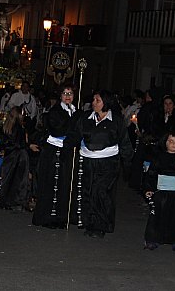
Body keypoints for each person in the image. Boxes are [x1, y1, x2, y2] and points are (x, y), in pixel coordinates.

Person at [64, 90, 133, 238]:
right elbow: (75, 135)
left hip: (108, 162)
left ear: (106, 102)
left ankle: (102, 224)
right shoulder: (86, 118)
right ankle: (90, 222)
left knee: (100, 191)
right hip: (88, 161)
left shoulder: (116, 121)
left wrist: (128, 163)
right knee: (88, 191)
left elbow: (124, 142)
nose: (94, 103)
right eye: (94, 100)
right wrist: (67, 146)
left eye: (97, 100)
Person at [32, 84, 78, 228]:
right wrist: (72, 130)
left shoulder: (76, 112)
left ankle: (61, 217)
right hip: (54, 152)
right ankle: (48, 217)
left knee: (65, 184)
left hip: (67, 152)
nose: (68, 96)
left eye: (70, 93)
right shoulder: (55, 111)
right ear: (60, 96)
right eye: (65, 93)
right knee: (52, 183)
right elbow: (58, 130)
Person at [143, 132, 175, 252]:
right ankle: (153, 240)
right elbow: (151, 174)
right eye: (171, 141)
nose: (174, 144)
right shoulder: (159, 157)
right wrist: (149, 189)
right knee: (158, 216)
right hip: (163, 192)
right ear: (165, 143)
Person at [0, 106, 30, 211]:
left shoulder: (7, 127)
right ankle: (17, 202)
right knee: (20, 180)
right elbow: (20, 143)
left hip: (10, 155)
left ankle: (7, 201)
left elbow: (4, 142)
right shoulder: (19, 128)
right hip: (19, 155)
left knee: (8, 178)